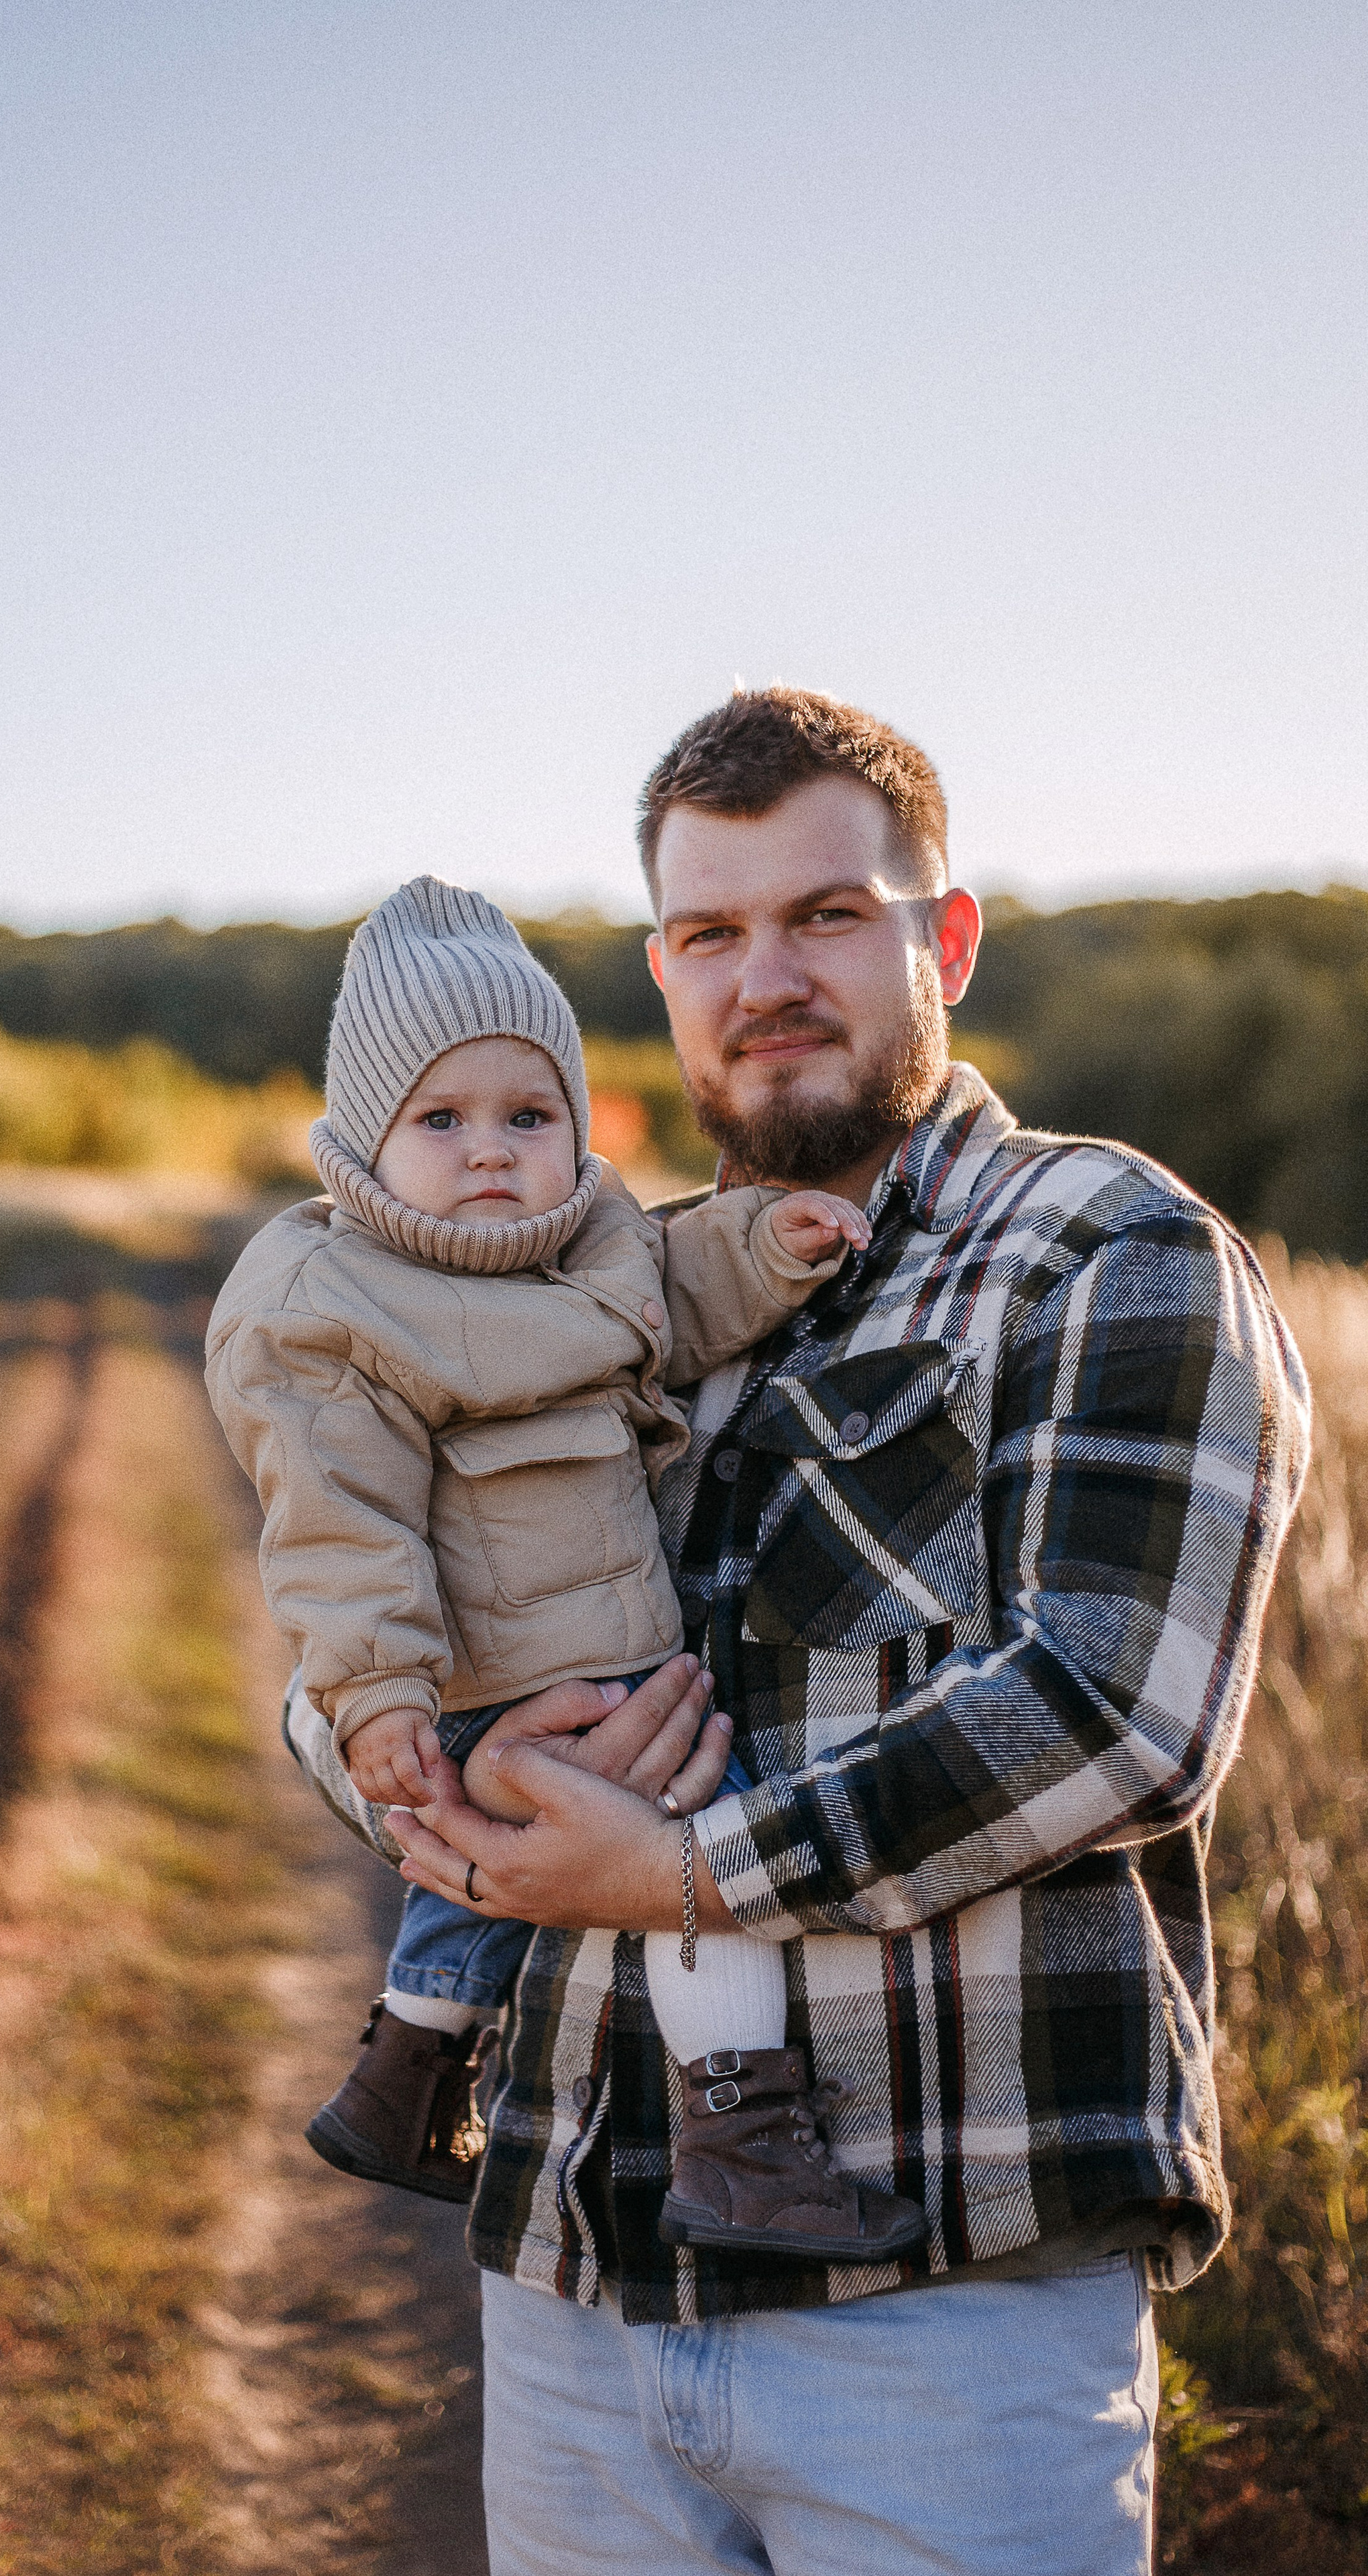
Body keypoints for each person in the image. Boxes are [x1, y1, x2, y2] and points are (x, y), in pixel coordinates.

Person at [284, 687, 1312, 2576]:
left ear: (947, 936)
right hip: (582, 2285)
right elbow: (366, 1588)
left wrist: (680, 1871)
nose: (766, 975)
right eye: (708, 931)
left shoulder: (1101, 1246)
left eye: (827, 915)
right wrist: (404, 1766)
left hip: (949, 2300)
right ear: (661, 973)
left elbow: (1111, 1712)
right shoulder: (589, 1282)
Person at [208, 872, 925, 2259]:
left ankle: (399, 2082)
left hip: (606, 1649)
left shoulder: (590, 1239)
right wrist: (376, 1697)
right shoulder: (331, 1306)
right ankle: (739, 2142)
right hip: (493, 1671)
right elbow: (336, 1522)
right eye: (442, 1120)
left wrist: (767, 1247)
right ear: (364, 1138)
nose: (491, 1152)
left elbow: (674, 1291)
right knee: (697, 1848)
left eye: (527, 1116)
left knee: (490, 1883)